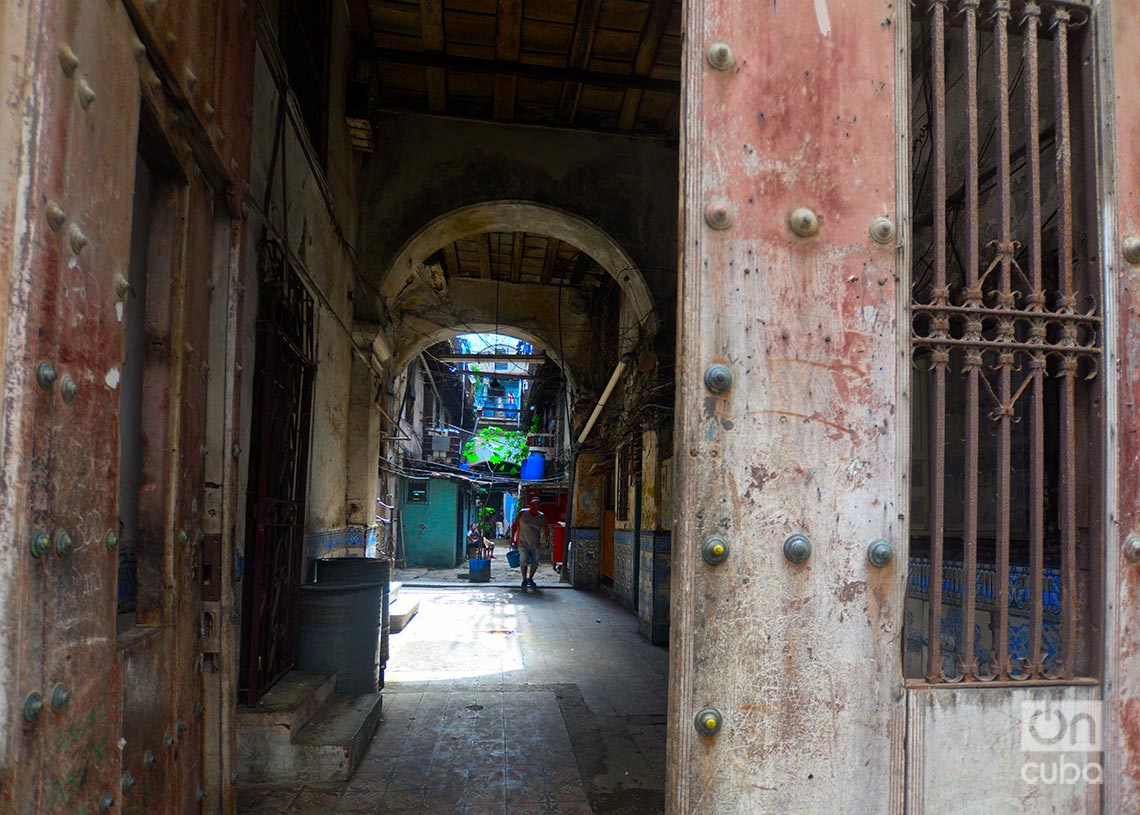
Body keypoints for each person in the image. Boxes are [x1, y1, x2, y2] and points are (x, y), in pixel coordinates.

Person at [509, 497, 546, 589]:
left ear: (539, 506)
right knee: (523, 561)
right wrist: (512, 538)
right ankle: (524, 579)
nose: (535, 506)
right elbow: (515, 526)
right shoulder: (522, 513)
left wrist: (546, 540)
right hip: (522, 542)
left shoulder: (541, 516)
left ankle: (530, 578)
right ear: (530, 505)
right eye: (533, 504)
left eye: (537, 504)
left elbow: (546, 529)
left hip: (536, 543)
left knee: (535, 562)